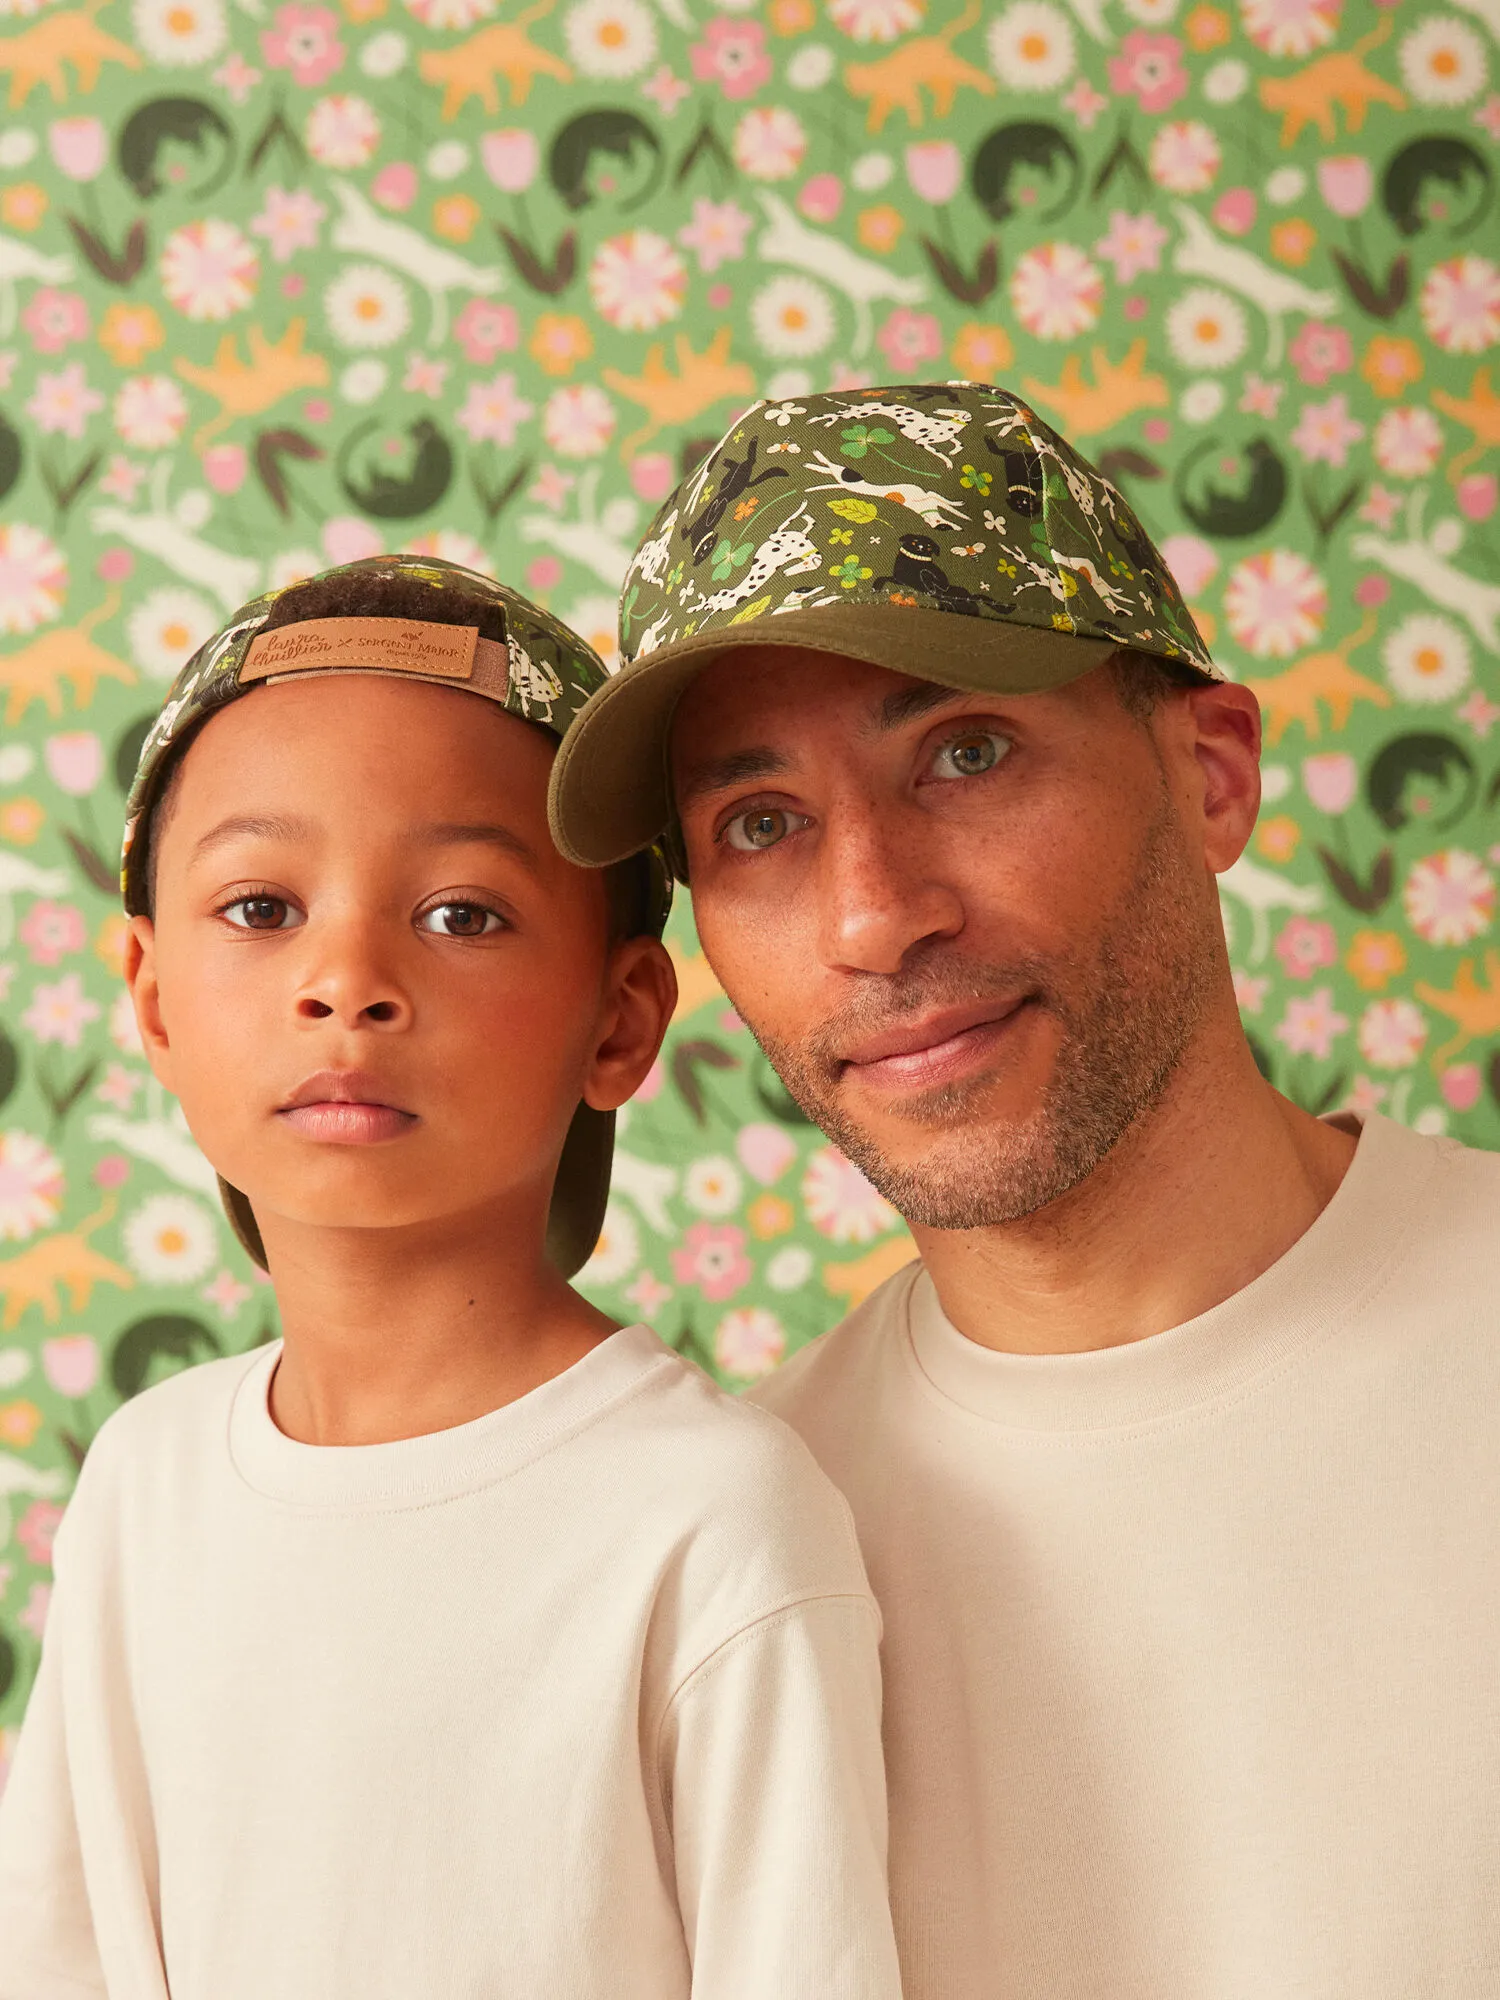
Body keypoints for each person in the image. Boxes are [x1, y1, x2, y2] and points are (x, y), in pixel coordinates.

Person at [550, 386, 1500, 1997]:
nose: (874, 915)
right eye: (760, 823)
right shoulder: (742, 1556)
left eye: (963, 752)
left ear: (1210, 774)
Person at [0, 556, 903, 2000]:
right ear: (153, 995)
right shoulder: (144, 1487)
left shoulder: (716, 1521)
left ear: (619, 1023)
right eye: (259, 907)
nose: (345, 979)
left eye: (462, 914)